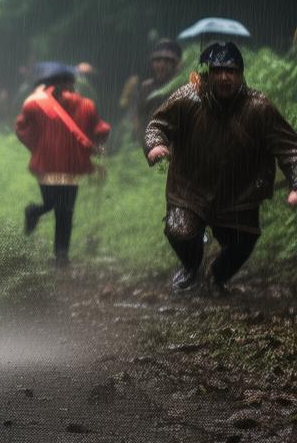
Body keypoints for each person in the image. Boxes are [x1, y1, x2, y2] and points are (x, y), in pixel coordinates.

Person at [145, 42, 297, 293]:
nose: (225, 77)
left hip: (239, 193)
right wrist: (155, 145)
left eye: (232, 71)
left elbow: (289, 147)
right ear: (206, 74)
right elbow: (156, 125)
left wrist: (295, 182)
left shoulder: (258, 107)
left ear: (241, 74)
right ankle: (193, 269)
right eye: (218, 71)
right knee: (179, 230)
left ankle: (215, 278)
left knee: (243, 240)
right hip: (189, 188)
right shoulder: (187, 98)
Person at [15, 62, 110, 266]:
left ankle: (35, 213)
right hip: (71, 166)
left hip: (46, 165)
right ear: (72, 83)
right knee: (65, 210)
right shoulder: (86, 105)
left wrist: (37, 146)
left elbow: (21, 129)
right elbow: (101, 129)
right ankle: (61, 254)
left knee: (51, 204)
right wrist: (97, 143)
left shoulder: (34, 104)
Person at [119, 38, 181, 142]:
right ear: (152, 63)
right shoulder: (146, 87)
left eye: (166, 61)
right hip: (150, 140)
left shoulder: (181, 86)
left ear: (174, 64)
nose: (161, 65)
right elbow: (137, 113)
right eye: (157, 61)